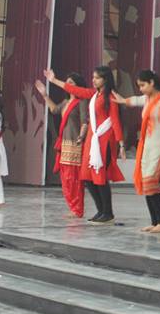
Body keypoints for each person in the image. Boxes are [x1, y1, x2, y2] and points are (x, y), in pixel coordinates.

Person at [44, 66, 124, 224]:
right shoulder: (94, 94)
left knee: (100, 177)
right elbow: (76, 90)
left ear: (105, 79)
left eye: (97, 78)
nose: (93, 80)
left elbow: (115, 120)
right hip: (92, 140)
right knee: (87, 177)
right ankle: (100, 210)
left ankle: (108, 213)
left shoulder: (111, 96)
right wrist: (53, 81)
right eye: (93, 77)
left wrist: (120, 144)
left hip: (104, 139)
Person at [113, 69, 160, 233]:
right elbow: (133, 100)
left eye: (142, 85)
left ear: (152, 82)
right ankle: (155, 222)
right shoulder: (146, 99)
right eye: (138, 86)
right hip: (148, 148)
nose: (140, 89)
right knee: (147, 183)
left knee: (151, 182)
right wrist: (121, 100)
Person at [35, 73, 89, 218]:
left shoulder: (82, 102)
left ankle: (78, 209)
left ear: (79, 86)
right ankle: (73, 207)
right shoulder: (66, 102)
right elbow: (54, 110)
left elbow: (85, 122)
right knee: (65, 178)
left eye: (72, 82)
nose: (69, 85)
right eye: (67, 82)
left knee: (74, 178)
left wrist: (82, 136)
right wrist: (45, 95)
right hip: (65, 143)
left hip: (75, 143)